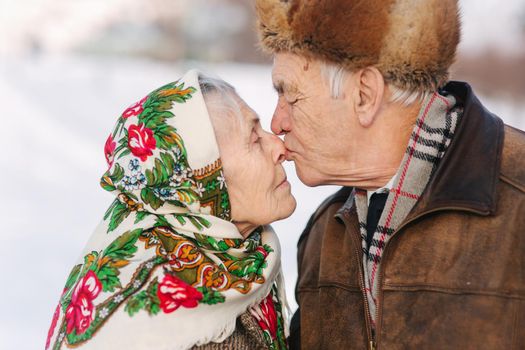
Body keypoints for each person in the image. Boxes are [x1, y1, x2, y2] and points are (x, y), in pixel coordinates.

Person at [255, 0, 525, 349]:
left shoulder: (517, 205)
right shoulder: (325, 236)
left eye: (290, 97)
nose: (277, 123)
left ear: (365, 95)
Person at [45, 70, 296, 350]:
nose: (279, 147)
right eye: (254, 138)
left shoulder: (243, 260)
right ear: (201, 181)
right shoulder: (161, 323)